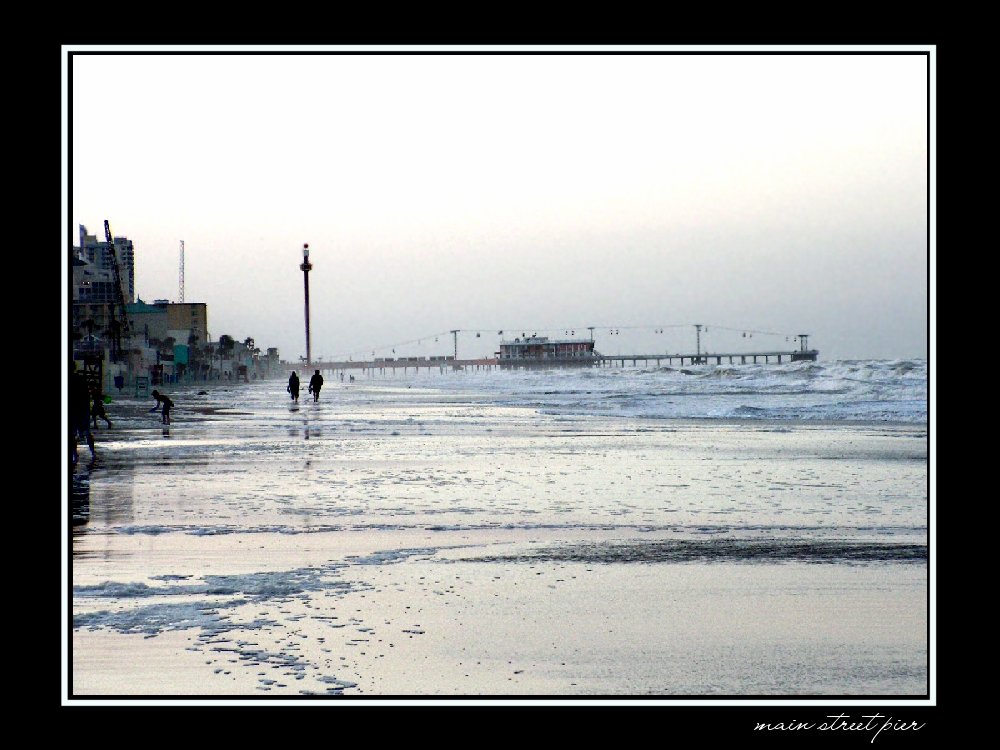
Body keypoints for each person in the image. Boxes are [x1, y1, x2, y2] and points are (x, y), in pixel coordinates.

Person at [70, 364, 95, 462]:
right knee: (86, 432)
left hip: (71, 410)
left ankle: (75, 454)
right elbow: (87, 395)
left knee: (72, 434)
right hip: (82, 409)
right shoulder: (81, 379)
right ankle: (92, 452)